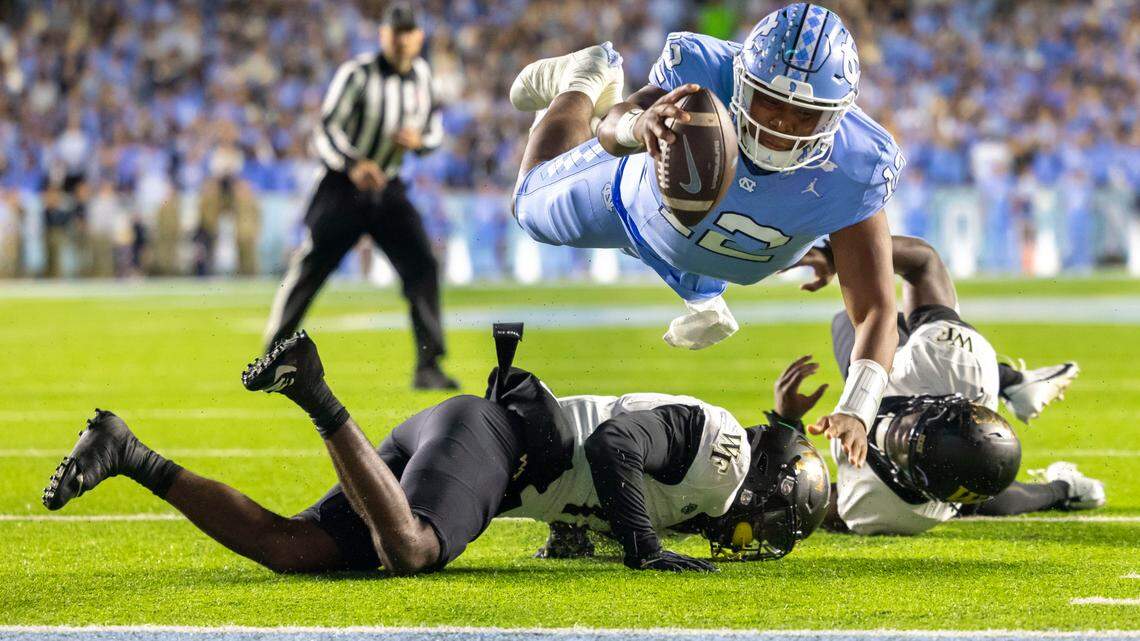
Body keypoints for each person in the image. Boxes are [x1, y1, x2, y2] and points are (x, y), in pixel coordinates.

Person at [41, 325, 829, 575]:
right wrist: (643, 546)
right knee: (412, 549)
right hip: (491, 438)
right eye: (768, 525)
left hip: (466, 441)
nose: (749, 537)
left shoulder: (713, 469)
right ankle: (313, 387)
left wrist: (588, 533)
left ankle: (129, 453)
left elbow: (587, 494)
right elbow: (619, 443)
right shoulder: (721, 454)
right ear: (763, 486)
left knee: (294, 547)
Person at [509, 3, 904, 468]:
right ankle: (583, 77)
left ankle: (700, 290)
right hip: (630, 201)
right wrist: (640, 125)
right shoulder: (704, 74)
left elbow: (877, 307)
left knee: (713, 240)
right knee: (529, 206)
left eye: (803, 117)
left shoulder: (858, 165)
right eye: (770, 103)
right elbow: (613, 125)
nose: (780, 126)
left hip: (708, 244)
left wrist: (856, 410)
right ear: (742, 84)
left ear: (836, 117)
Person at [788, 235, 1103, 535]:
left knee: (977, 494)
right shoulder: (954, 367)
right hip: (944, 377)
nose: (894, 431)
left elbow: (805, 500)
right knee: (863, 319)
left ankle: (1063, 490)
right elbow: (923, 262)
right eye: (915, 427)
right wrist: (837, 255)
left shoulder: (884, 507)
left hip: (936, 479)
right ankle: (1014, 381)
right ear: (942, 404)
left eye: (908, 445)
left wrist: (787, 422)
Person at [262, 2, 456, 390]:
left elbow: (434, 130)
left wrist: (420, 142)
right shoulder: (357, 74)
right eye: (394, 33)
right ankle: (271, 355)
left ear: (418, 37)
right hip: (342, 186)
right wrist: (352, 163)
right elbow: (326, 129)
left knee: (422, 266)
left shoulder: (422, 77)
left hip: (388, 188)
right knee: (311, 269)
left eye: (408, 33)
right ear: (383, 35)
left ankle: (428, 364)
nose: (401, 41)